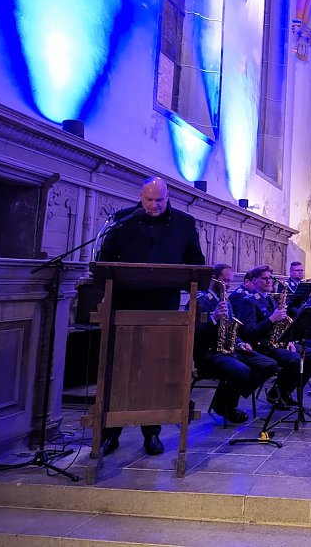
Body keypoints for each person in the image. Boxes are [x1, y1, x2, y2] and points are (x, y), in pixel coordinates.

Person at [97, 176, 205, 457]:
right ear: (140, 196)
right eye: (148, 200)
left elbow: (196, 262)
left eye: (159, 200)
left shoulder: (184, 223)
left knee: (155, 372)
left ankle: (152, 434)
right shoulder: (123, 220)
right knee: (120, 371)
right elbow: (105, 259)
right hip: (124, 307)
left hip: (163, 310)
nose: (153, 205)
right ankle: (110, 433)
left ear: (168, 197)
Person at [194, 264, 277, 424]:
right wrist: (213, 318)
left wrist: (240, 343)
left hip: (229, 350)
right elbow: (194, 333)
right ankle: (228, 407)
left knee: (269, 364)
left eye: (229, 282)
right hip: (209, 353)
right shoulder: (201, 302)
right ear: (213, 279)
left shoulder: (225, 300)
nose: (227, 285)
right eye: (225, 281)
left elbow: (233, 329)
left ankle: (224, 400)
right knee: (242, 371)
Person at [237, 265, 311, 409]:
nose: (269, 281)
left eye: (270, 278)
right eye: (264, 279)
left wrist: (288, 340)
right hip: (261, 345)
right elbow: (248, 332)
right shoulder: (249, 301)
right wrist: (271, 319)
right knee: (296, 360)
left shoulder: (270, 299)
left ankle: (285, 390)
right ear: (254, 281)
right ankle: (278, 392)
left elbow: (281, 326)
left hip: (277, 342)